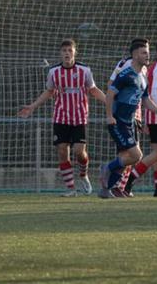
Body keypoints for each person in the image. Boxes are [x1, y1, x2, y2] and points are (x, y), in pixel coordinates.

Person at [19, 39, 106, 196]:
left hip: (79, 117)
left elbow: (92, 90)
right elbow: (49, 92)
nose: (67, 53)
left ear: (74, 53)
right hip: (60, 118)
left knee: (80, 152)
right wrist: (33, 106)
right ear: (60, 53)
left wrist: (110, 102)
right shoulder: (54, 72)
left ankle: (83, 175)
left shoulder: (84, 70)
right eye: (64, 51)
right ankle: (71, 189)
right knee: (62, 151)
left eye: (70, 50)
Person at [98, 39, 157, 199]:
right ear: (135, 55)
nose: (148, 56)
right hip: (118, 120)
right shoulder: (126, 75)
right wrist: (109, 116)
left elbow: (146, 100)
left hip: (130, 122)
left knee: (128, 159)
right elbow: (110, 94)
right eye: (144, 52)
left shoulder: (143, 77)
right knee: (136, 155)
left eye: (148, 52)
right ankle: (107, 168)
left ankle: (105, 189)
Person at [122, 39, 157, 197]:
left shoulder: (156, 68)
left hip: (153, 116)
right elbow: (153, 93)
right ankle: (130, 181)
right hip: (156, 117)